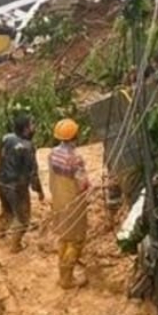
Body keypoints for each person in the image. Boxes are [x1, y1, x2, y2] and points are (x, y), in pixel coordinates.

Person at [49, 118, 91, 289]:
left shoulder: (52, 153)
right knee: (75, 241)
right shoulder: (75, 159)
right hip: (73, 203)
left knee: (63, 238)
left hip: (58, 201)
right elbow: (83, 184)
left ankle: (63, 273)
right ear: (75, 136)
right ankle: (67, 279)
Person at [0, 114, 43, 252]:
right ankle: (15, 246)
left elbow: (0, 156)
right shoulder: (27, 147)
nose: (34, 127)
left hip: (1, 180)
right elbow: (33, 173)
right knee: (23, 217)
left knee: (6, 208)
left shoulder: (6, 138)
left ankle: (0, 234)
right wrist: (39, 190)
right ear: (26, 129)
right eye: (32, 125)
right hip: (17, 186)